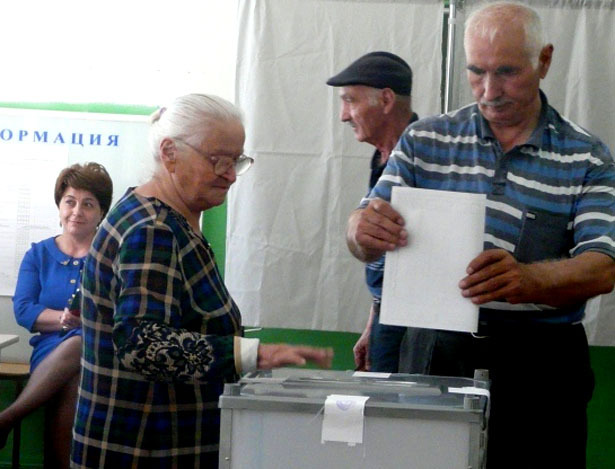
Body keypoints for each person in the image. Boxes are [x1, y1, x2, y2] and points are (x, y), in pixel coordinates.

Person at [345, 3, 615, 468]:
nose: (490, 91)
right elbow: (362, 234)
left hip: (541, 367)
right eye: (476, 72)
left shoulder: (586, 158)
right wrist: (359, 229)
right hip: (435, 355)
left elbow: (603, 266)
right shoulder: (425, 141)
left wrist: (529, 280)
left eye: (507, 72)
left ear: (544, 60)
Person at [70, 94, 333, 468]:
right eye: (218, 160)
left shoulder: (153, 215)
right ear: (170, 153)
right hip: (144, 449)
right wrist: (251, 354)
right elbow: (141, 343)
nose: (230, 174)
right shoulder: (154, 230)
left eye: (236, 161)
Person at [4, 162, 113, 468]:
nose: (77, 211)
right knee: (74, 369)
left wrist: (87, 323)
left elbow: (120, 311)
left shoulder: (111, 256)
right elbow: (23, 309)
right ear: (59, 206)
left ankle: (8, 418)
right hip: (50, 350)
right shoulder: (38, 254)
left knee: (81, 348)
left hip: (100, 351)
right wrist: (62, 319)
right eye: (70, 201)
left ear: (101, 213)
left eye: (88, 204)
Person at [326, 51, 427, 372]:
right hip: (389, 313)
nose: (343, 116)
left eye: (350, 101)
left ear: (386, 100)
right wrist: (374, 321)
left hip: (415, 321)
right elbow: (389, 253)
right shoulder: (383, 156)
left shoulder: (426, 156)